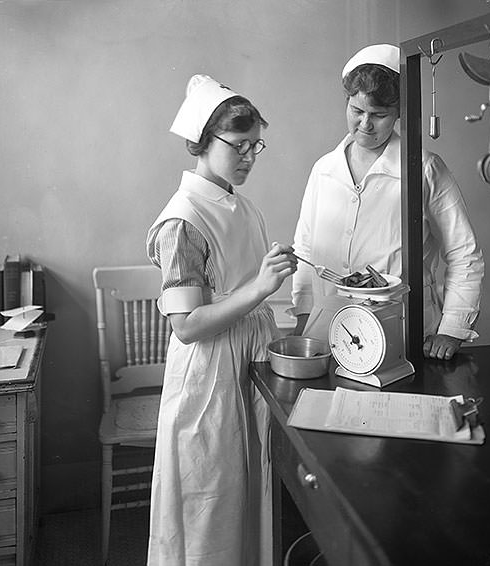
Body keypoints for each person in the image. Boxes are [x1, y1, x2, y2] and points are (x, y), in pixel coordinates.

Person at [145, 74, 296, 566]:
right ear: (202, 143)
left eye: (257, 146)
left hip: (248, 362)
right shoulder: (182, 219)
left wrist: (267, 272)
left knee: (251, 497)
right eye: (239, 146)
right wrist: (258, 288)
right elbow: (186, 326)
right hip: (209, 374)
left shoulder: (241, 205)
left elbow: (242, 279)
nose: (250, 157)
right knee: (209, 504)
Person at [290, 44, 484, 360]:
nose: (365, 124)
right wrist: (303, 317)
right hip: (327, 331)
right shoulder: (324, 170)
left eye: (378, 115)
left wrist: (453, 328)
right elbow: (305, 249)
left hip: (399, 333)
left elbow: (464, 252)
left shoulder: (423, 168)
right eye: (357, 111)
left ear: (398, 113)